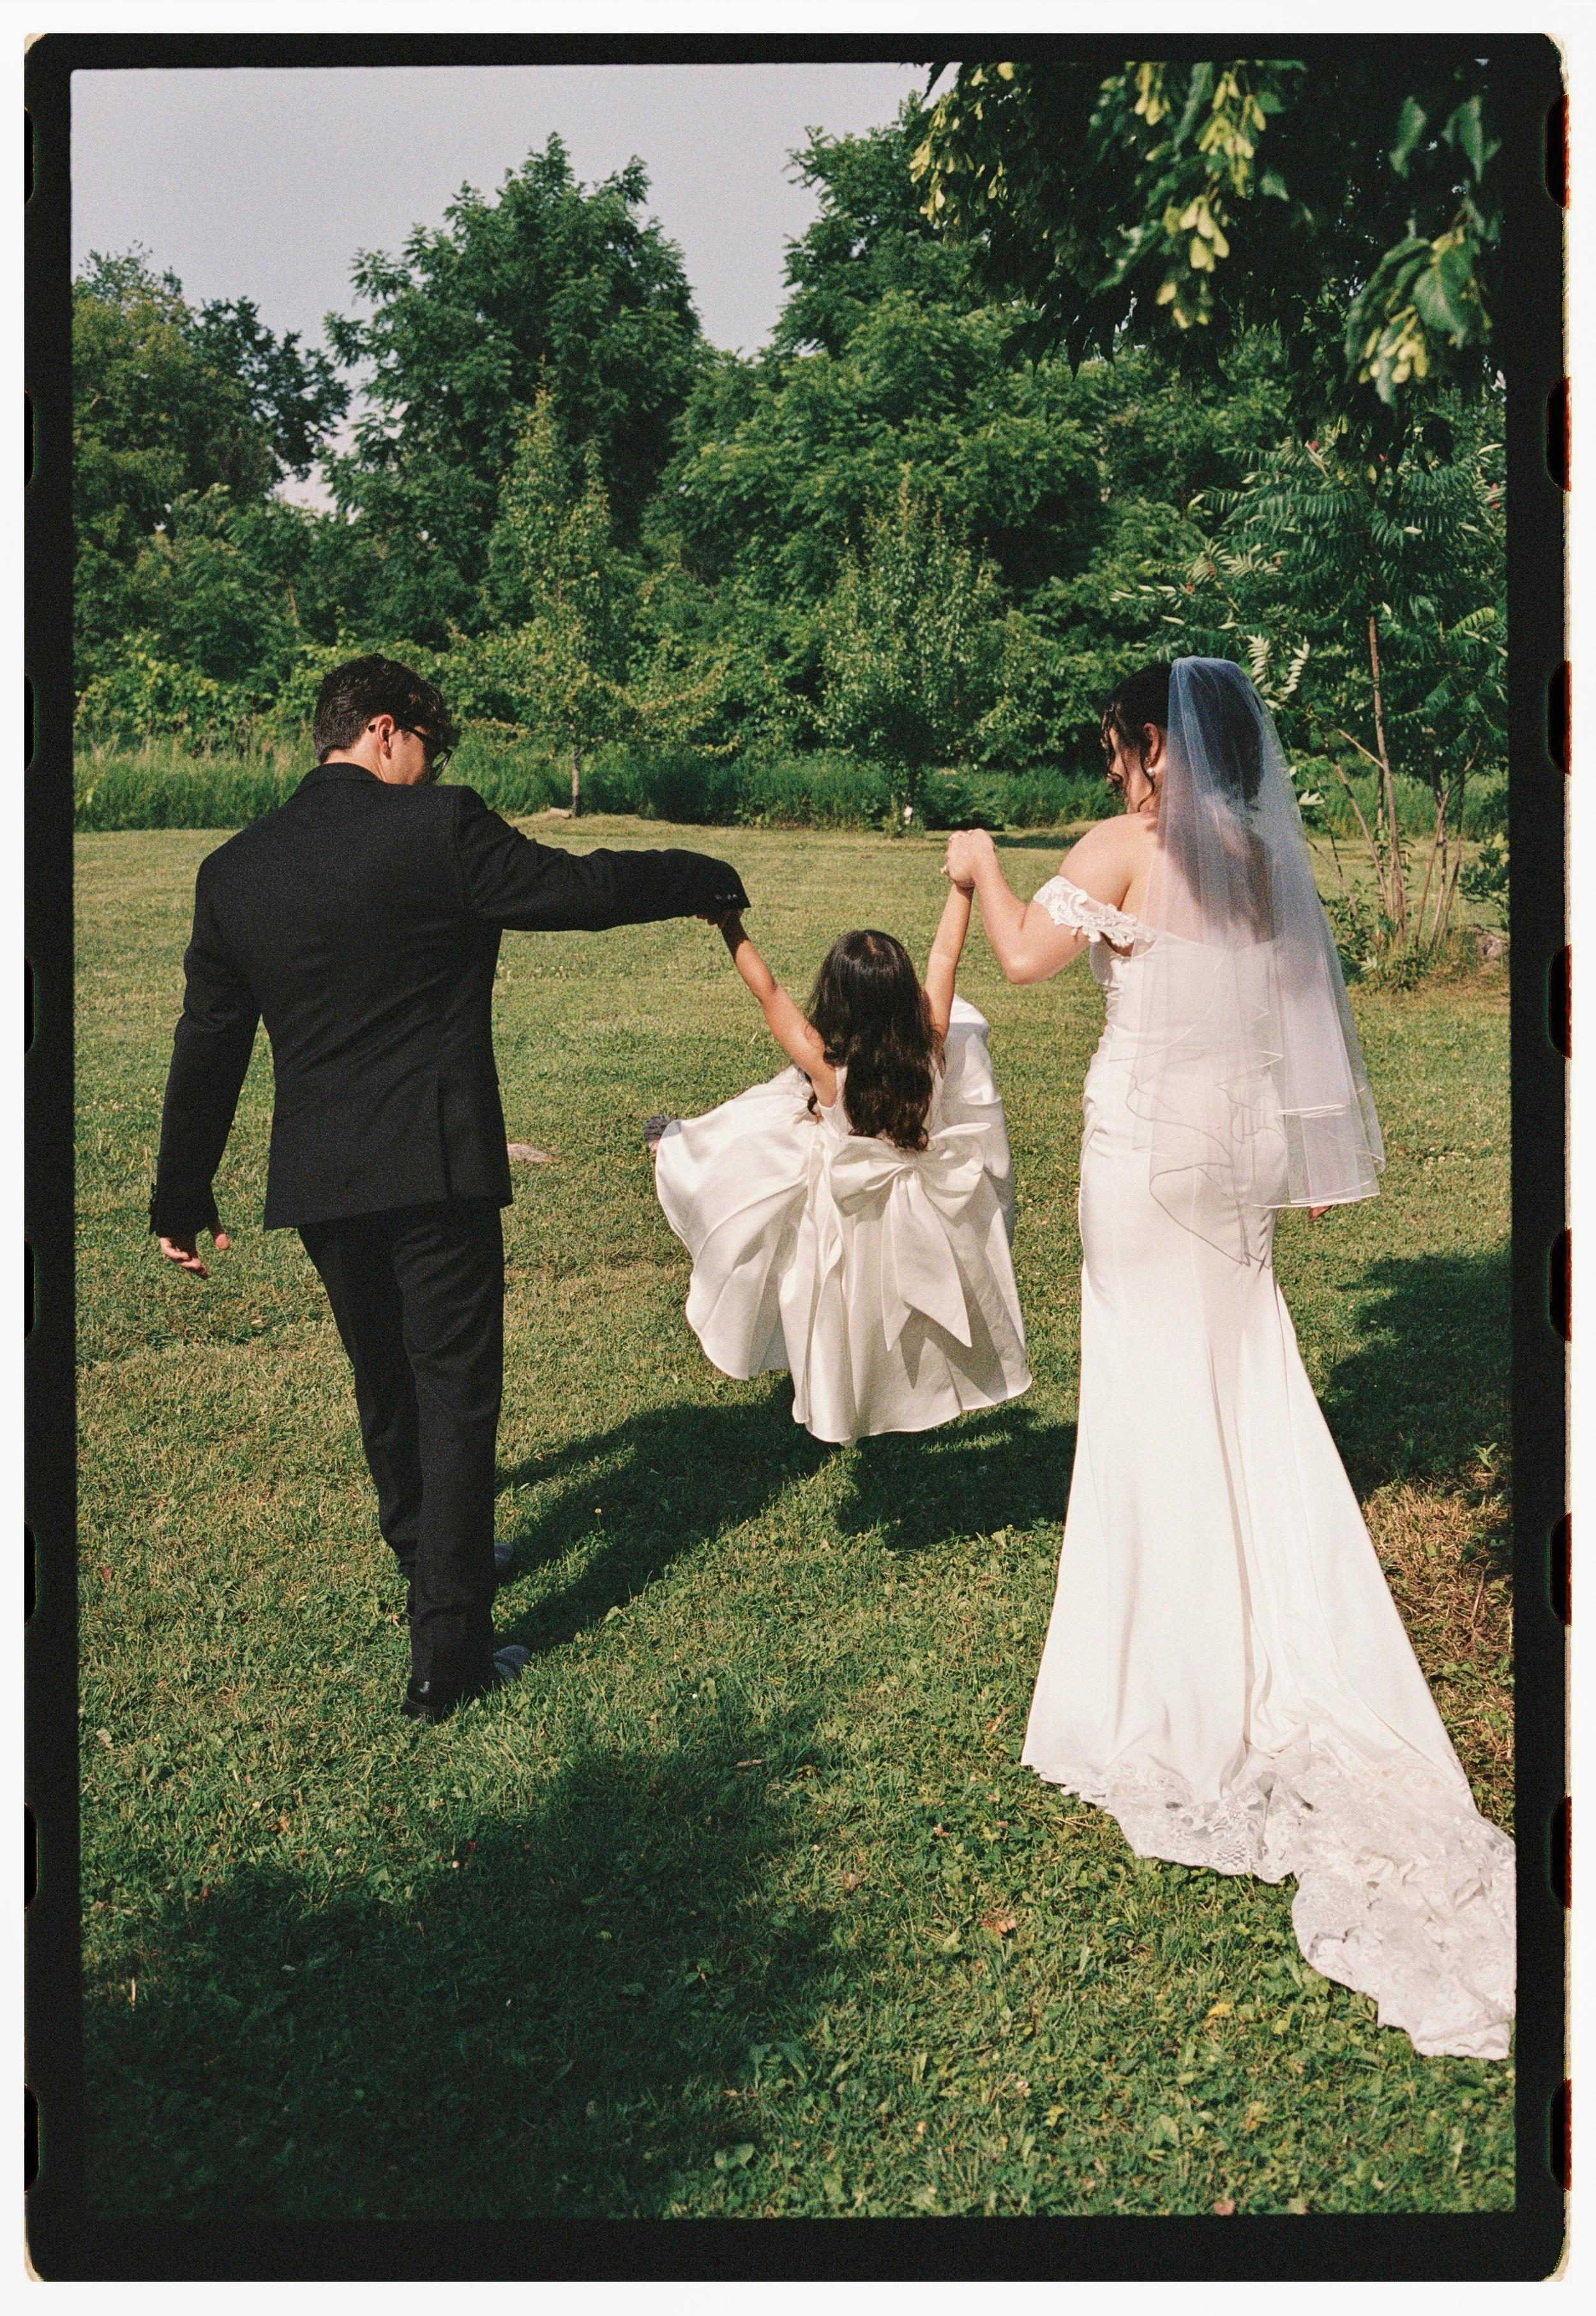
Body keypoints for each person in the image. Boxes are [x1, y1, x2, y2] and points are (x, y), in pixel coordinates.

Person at [942, 656, 1514, 2062]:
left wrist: (975, 872)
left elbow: (1022, 961)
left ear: (1145, 747)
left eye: (1114, 743)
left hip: (1143, 1157)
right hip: (1238, 1155)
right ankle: (1276, 1622)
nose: (1112, 766)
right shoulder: (1255, 856)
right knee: (1243, 1383)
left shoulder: (1125, 848)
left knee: (1151, 1396)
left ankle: (1173, 1677)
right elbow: (1285, 1011)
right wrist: (1296, 1154)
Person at [150, 653, 748, 1722]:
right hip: (435, 1161)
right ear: (385, 731)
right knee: (454, 1393)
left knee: (386, 1380)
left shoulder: (234, 870)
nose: (433, 772)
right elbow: (584, 890)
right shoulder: (440, 829)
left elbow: (209, 1041)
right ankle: (450, 1654)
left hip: (325, 1178)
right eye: (430, 749)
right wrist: (700, 876)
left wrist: (179, 1192)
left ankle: (427, 1554)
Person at [649, 884, 1030, 1445]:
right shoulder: (932, 1045)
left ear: (836, 999)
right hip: (922, 1207)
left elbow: (769, 992)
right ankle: (910, 1395)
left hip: (845, 1215)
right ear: (906, 997)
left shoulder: (826, 1066)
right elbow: (946, 956)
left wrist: (731, 925)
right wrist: (960, 889)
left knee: (843, 1313)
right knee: (914, 1313)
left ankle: (847, 1405)